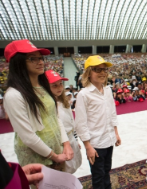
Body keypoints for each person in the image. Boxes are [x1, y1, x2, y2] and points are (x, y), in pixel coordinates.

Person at [3, 40, 73, 173]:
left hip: (57, 149)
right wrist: (53, 156)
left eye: (40, 58)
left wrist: (66, 143)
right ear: (18, 63)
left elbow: (55, 117)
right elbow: (27, 136)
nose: (40, 62)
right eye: (32, 59)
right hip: (36, 157)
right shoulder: (14, 95)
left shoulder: (44, 88)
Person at [75, 55, 121, 189]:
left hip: (108, 139)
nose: (102, 73)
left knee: (106, 169)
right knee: (98, 176)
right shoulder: (84, 95)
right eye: (97, 70)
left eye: (104, 70)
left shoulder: (107, 90)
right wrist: (88, 146)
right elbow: (80, 123)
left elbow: (112, 113)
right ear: (89, 73)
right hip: (95, 144)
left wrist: (116, 133)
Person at [45, 70, 82, 174]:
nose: (59, 88)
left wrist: (75, 139)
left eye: (60, 84)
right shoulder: (48, 105)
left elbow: (71, 122)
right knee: (63, 170)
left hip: (71, 138)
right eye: (54, 86)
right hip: (60, 142)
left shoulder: (64, 101)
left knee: (73, 166)